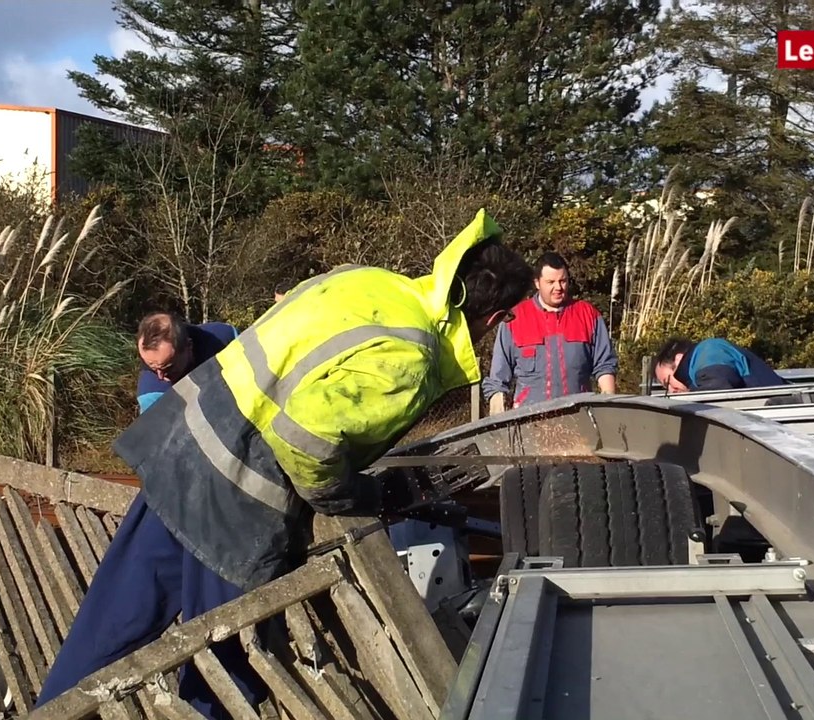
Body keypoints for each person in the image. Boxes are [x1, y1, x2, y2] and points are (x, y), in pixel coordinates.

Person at [38, 210, 531, 714]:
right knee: (226, 672)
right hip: (236, 505)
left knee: (106, 631)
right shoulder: (412, 357)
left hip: (178, 455)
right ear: (493, 319)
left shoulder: (367, 280)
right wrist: (361, 495)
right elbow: (307, 443)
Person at [38, 311, 251, 715]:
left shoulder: (227, 338)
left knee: (218, 625)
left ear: (190, 345)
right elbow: (166, 456)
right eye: (152, 366)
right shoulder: (153, 389)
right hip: (186, 497)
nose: (162, 375)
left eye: (168, 366)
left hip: (232, 491)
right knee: (128, 616)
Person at [482, 251, 617, 413]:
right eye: (551, 282)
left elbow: (605, 366)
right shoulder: (514, 319)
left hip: (579, 417)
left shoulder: (588, 315)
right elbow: (498, 379)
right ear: (537, 283)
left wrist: (608, 408)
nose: (558, 287)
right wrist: (498, 417)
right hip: (530, 421)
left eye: (563, 281)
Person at [652, 337, 787, 392]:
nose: (671, 390)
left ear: (678, 360)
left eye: (668, 382)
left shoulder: (709, 351)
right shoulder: (701, 360)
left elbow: (716, 390)